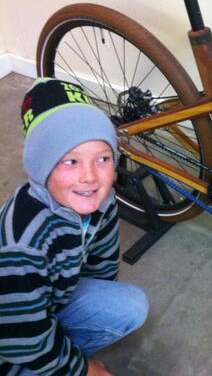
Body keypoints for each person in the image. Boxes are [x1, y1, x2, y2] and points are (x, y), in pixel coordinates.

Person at [0, 78, 148, 376]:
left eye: (103, 158)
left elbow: (103, 267)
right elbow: (20, 337)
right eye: (71, 161)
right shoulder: (21, 246)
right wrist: (82, 369)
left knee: (131, 305)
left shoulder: (101, 200)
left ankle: (53, 357)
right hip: (10, 328)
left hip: (46, 304)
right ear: (41, 165)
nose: (90, 177)